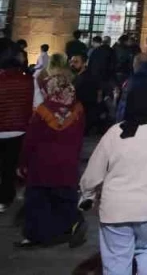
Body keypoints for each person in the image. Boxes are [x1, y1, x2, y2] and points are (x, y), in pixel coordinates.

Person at [79, 85, 147, 275]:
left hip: (116, 209)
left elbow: (94, 171)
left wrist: (87, 194)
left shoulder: (115, 132)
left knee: (117, 260)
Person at [16, 67, 86, 248]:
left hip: (42, 164)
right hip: (68, 164)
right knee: (64, 199)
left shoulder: (43, 110)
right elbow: (80, 138)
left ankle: (36, 236)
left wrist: (23, 163)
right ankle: (68, 228)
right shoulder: (78, 109)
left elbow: (30, 140)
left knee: (38, 201)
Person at [0, 46, 34, 214]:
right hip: (18, 130)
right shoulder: (28, 80)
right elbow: (36, 104)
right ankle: (4, 199)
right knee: (9, 166)